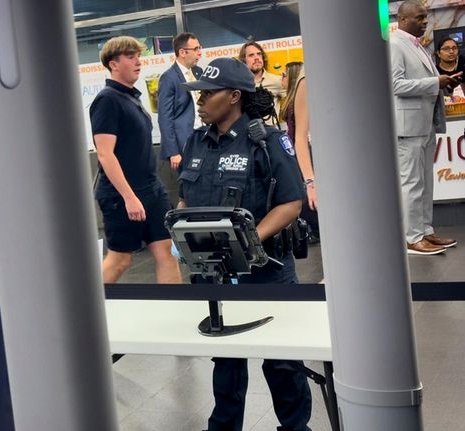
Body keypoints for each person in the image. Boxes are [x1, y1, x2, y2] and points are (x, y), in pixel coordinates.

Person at [180, 58, 312, 431]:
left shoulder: (266, 141)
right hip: (214, 272)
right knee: (226, 361)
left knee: (282, 362)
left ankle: (296, 428)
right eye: (199, 93)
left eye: (208, 93)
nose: (200, 100)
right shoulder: (195, 142)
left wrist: (249, 240)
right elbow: (187, 199)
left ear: (235, 96)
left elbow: (291, 202)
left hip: (266, 270)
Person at [90, 36, 182, 284]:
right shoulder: (107, 100)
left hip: (151, 188)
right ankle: (88, 311)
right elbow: (105, 154)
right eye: (130, 57)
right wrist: (129, 197)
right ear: (113, 64)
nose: (138, 62)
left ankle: (176, 310)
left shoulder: (132, 98)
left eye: (138, 56)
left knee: (166, 251)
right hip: (121, 195)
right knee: (121, 260)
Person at [390, 0, 462, 255]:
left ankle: (426, 231)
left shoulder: (417, 45)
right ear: (403, 18)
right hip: (407, 127)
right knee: (412, 184)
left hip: (424, 124)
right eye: (420, 17)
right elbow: (395, 85)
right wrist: (435, 82)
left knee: (425, 183)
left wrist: (444, 84)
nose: (425, 22)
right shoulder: (396, 45)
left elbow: (420, 82)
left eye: (426, 17)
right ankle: (412, 237)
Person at [279, 61, 319, 243]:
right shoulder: (305, 82)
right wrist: (310, 182)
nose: (282, 79)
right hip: (308, 154)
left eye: (285, 75)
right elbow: (300, 138)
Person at [157, 32, 203, 172]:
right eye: (196, 49)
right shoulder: (168, 78)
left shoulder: (198, 72)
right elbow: (165, 118)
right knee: (190, 186)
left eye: (200, 48)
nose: (200, 53)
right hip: (184, 143)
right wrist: (173, 152)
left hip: (204, 136)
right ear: (182, 52)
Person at [238, 40, 284, 123]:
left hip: (271, 133)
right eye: (251, 55)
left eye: (259, 54)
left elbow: (295, 100)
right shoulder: (238, 85)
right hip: (247, 133)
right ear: (244, 60)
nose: (256, 58)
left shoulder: (277, 80)